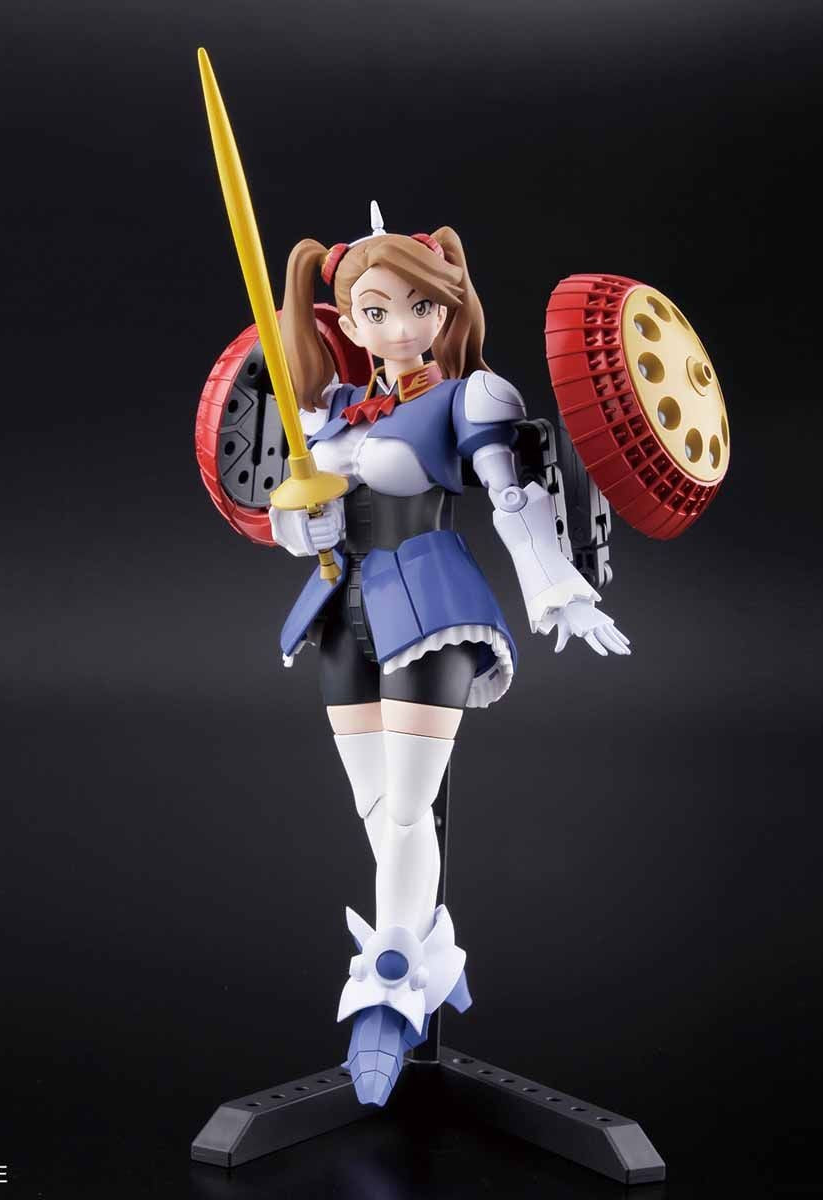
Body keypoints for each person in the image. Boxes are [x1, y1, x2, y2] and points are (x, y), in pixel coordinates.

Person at [268, 202, 630, 1106]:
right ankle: (432, 954)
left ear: (447, 309)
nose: (400, 328)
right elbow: (285, 515)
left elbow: (513, 501)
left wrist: (559, 586)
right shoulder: (329, 410)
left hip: (431, 609)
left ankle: (387, 997)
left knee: (407, 814)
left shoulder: (471, 397)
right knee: (378, 809)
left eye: (420, 307)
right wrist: (302, 520)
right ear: (350, 322)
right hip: (341, 613)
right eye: (376, 311)